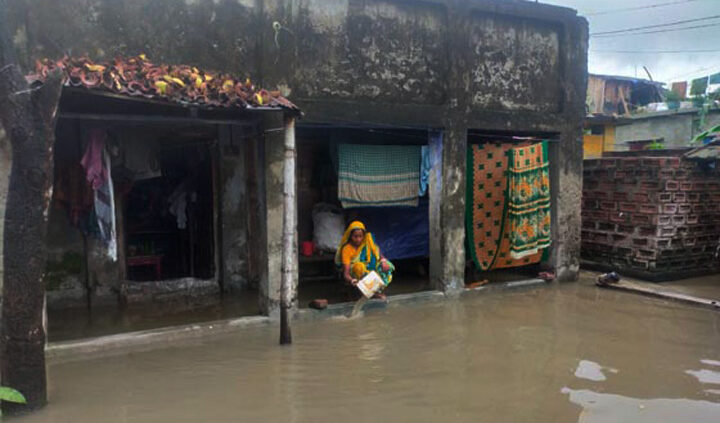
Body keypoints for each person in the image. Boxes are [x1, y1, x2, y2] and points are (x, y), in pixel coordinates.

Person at [335, 221, 394, 298]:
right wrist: (351, 280)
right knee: (359, 267)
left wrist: (383, 261)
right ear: (350, 236)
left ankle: (376, 290)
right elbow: (346, 273)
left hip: (370, 267)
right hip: (356, 272)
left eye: (360, 236)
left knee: (387, 265)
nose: (358, 239)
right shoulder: (346, 249)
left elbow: (377, 253)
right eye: (355, 236)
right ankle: (368, 292)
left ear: (364, 236)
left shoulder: (367, 242)